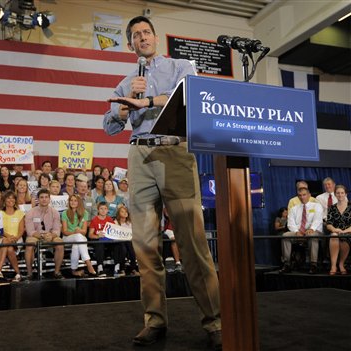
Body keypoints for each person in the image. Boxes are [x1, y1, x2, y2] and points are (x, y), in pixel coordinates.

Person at [103, 16, 221, 348]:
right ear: (130, 45)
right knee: (144, 245)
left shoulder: (181, 66)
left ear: (156, 38)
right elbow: (109, 125)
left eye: (146, 32)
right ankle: (154, 320)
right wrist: (125, 110)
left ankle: (214, 322)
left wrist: (149, 101)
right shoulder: (128, 81)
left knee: (192, 240)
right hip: (139, 158)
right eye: (136, 35)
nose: (142, 37)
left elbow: (192, 97)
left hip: (175, 152)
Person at [279, 187, 323, 274]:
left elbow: (317, 219)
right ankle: (287, 264)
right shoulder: (294, 209)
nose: (302, 197)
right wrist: (296, 231)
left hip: (313, 231)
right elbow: (290, 223)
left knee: (312, 235)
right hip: (298, 232)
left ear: (309, 195)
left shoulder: (317, 206)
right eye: (300, 195)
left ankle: (313, 265)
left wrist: (311, 229)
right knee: (285, 236)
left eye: (304, 195)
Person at [24, 189, 65, 279]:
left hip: (50, 235)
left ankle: (57, 272)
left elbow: (57, 230)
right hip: (35, 235)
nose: (44, 199)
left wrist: (51, 235)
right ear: (38, 199)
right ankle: (29, 273)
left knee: (60, 244)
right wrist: (42, 236)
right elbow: (30, 231)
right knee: (29, 244)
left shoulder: (55, 212)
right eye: (41, 197)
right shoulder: (30, 212)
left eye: (46, 197)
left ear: (49, 199)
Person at [61, 194, 98, 277]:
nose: (73, 202)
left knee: (76, 245)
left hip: (80, 238)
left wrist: (79, 231)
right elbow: (65, 231)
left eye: (75, 200)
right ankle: (89, 264)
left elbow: (84, 232)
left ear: (79, 202)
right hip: (68, 238)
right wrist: (76, 233)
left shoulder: (85, 213)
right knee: (78, 237)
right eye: (71, 200)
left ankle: (73, 271)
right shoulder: (64, 213)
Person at [0, 191, 25, 282]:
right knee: (8, 247)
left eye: (13, 198)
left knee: (6, 243)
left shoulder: (19, 213)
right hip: (4, 237)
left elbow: (21, 230)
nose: (10, 200)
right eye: (8, 198)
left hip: (17, 238)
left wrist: (15, 238)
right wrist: (8, 237)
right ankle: (18, 273)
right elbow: (0, 229)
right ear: (4, 200)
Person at [88, 202, 122, 277]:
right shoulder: (94, 220)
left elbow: (114, 232)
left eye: (105, 209)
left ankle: (117, 268)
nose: (103, 210)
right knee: (99, 244)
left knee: (117, 245)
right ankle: (100, 268)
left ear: (107, 210)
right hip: (99, 240)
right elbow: (90, 235)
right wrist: (97, 236)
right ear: (98, 210)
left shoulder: (109, 219)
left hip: (108, 241)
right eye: (101, 209)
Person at [326, 185, 351, 275]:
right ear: (335, 195)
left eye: (342, 193)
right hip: (336, 232)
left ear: (345, 194)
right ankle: (333, 265)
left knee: (344, 239)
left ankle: (341, 264)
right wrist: (334, 229)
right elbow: (328, 224)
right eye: (338, 193)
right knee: (334, 235)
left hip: (348, 233)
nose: (340, 195)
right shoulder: (332, 208)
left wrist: (344, 231)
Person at [115, 205, 138, 276]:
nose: (125, 213)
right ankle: (122, 269)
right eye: (122, 211)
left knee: (132, 249)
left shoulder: (130, 222)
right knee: (123, 250)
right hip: (120, 241)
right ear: (119, 214)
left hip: (129, 241)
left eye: (126, 211)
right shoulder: (116, 222)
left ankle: (133, 269)